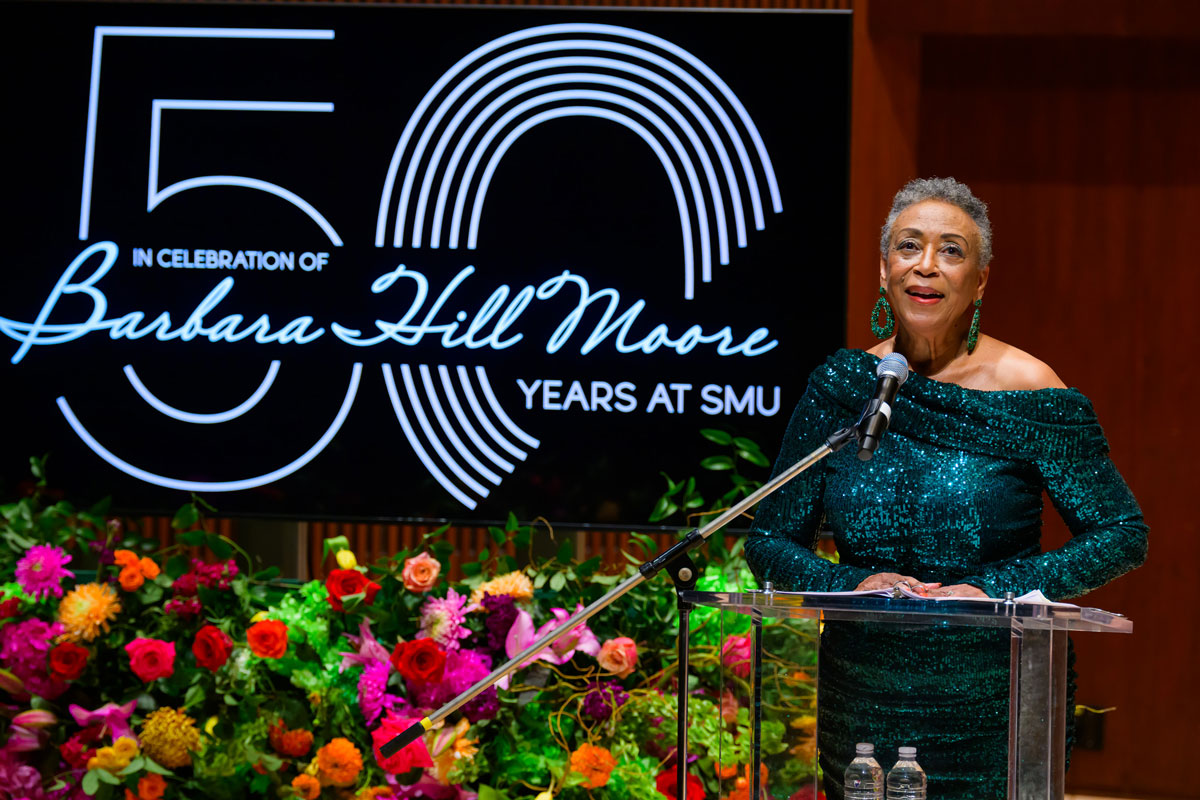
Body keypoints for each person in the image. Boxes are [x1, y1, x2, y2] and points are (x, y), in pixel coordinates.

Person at [744, 177, 1148, 800]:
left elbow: (1121, 534)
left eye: (951, 250)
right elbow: (769, 536)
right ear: (884, 269)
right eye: (909, 246)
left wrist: (992, 591)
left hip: (995, 701)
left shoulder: (1029, 392)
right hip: (862, 697)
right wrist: (854, 583)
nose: (926, 265)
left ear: (981, 279)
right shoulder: (844, 388)